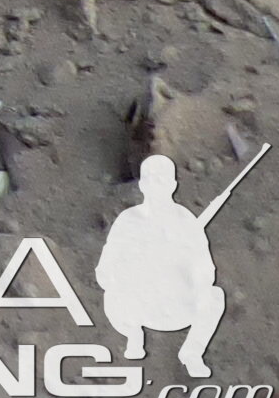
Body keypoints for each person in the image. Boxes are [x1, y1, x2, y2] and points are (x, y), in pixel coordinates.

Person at [95, 153, 232, 376]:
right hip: (138, 304)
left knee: (214, 296)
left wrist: (192, 270)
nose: (155, 184)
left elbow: (206, 269)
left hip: (175, 304)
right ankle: (134, 336)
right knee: (112, 295)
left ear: (172, 184)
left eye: (161, 179)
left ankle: (192, 353)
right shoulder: (128, 221)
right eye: (150, 178)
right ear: (141, 184)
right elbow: (106, 268)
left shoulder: (186, 221)